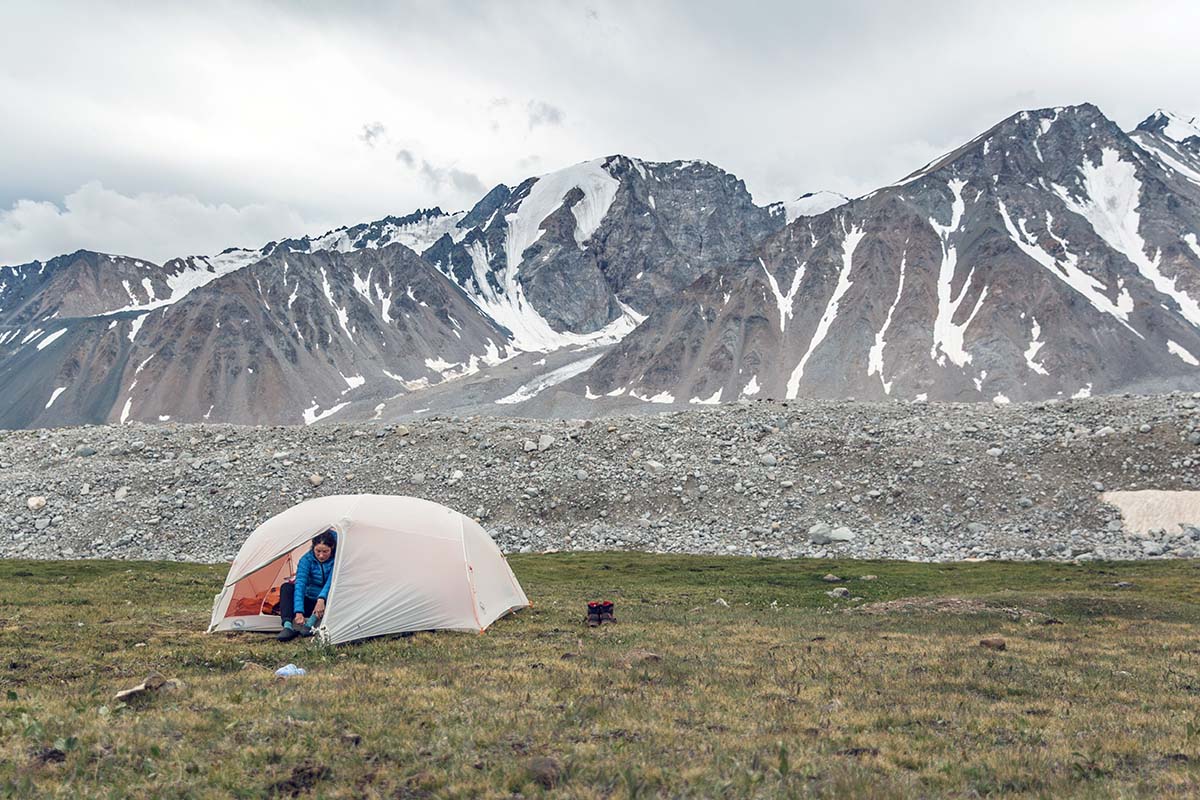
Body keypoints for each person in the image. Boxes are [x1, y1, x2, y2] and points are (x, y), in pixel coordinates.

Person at [277, 529, 337, 641]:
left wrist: (321, 599)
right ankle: (288, 627)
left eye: (325, 551)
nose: (321, 555)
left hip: (328, 601)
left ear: (332, 547)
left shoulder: (337, 559)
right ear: (313, 547)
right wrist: (298, 611)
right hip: (309, 600)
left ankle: (310, 625)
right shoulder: (306, 559)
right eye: (318, 551)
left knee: (337, 591)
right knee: (287, 588)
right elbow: (300, 584)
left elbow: (331, 582)